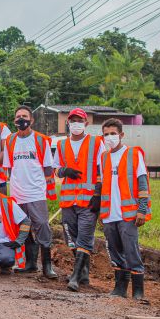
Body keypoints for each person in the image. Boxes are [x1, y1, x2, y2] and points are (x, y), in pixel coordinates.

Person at [98, 118, 152, 300]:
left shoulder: (133, 154)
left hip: (128, 214)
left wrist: (142, 209)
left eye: (113, 134)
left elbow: (143, 183)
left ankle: (138, 291)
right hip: (109, 213)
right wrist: (100, 211)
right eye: (106, 134)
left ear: (121, 135)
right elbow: (104, 185)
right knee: (114, 250)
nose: (109, 137)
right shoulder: (104, 157)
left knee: (131, 250)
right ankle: (120, 288)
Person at [2, 105, 58, 278]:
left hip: (36, 192)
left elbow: (48, 168)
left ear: (32, 120)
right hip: (17, 193)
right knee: (23, 227)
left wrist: (48, 190)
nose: (21, 119)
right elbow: (8, 167)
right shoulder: (10, 140)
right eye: (18, 116)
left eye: (24, 116)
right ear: (14, 121)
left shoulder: (41, 140)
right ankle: (30, 263)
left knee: (41, 225)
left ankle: (47, 265)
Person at [53, 108, 104, 292]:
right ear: (68, 123)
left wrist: (98, 194)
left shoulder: (97, 143)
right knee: (72, 239)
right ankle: (84, 273)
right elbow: (55, 168)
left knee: (84, 237)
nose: (76, 124)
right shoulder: (61, 145)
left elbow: (102, 169)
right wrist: (64, 171)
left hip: (89, 201)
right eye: (73, 120)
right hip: (68, 201)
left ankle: (74, 277)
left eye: (79, 120)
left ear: (86, 123)